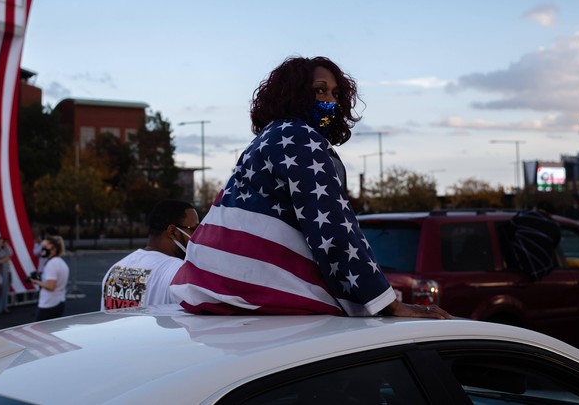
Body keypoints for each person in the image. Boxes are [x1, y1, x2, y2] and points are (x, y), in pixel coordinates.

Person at [171, 56, 450, 319]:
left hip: (225, 292)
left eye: (336, 94)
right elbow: (333, 231)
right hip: (261, 296)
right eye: (319, 91)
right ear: (293, 94)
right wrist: (390, 305)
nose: (330, 101)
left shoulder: (269, 136)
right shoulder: (298, 137)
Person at [101, 199, 199, 310]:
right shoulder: (180, 272)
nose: (199, 235)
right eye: (195, 229)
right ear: (172, 231)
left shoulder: (114, 270)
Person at [30, 235, 70, 321]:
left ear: (53, 249)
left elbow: (51, 286)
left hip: (49, 303)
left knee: (40, 331)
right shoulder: (61, 262)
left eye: (45, 247)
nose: (43, 249)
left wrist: (36, 281)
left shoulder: (52, 264)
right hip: (59, 301)